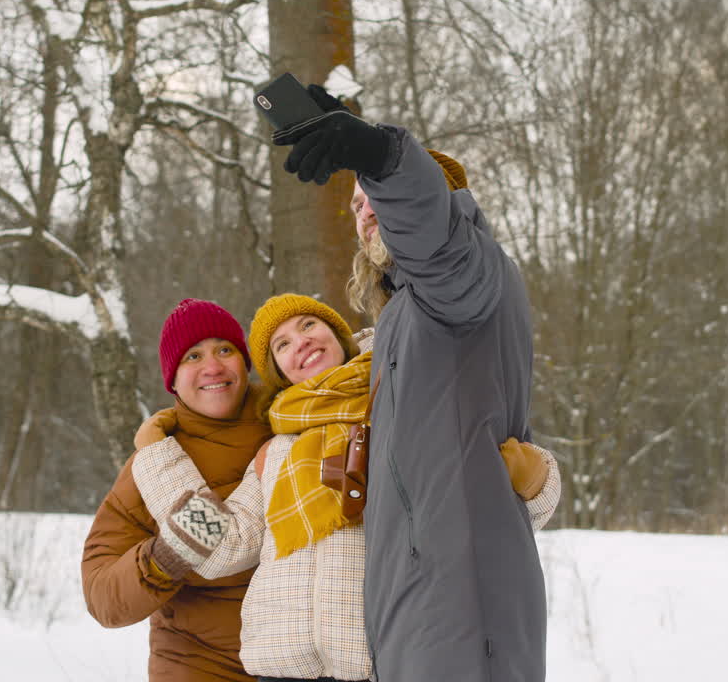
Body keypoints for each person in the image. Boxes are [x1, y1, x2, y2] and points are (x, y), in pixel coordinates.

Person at [127, 293, 560, 682]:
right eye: (281, 344)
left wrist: (534, 479)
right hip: (279, 669)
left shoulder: (399, 412)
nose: (300, 342)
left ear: (338, 335)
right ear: (279, 371)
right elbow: (223, 548)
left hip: (377, 663)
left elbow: (480, 520)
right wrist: (157, 459)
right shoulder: (276, 450)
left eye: (308, 325)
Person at [273, 86, 551, 682]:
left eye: (375, 197)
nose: (363, 210)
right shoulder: (405, 316)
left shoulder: (462, 277)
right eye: (354, 206)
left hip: (462, 609)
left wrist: (380, 154)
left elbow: (435, 236)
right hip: (416, 611)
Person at [81, 298, 270, 682]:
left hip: (304, 659)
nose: (213, 367)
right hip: (198, 664)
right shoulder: (152, 462)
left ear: (244, 360)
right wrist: (161, 561)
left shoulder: (290, 420)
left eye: (224, 349)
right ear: (172, 378)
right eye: (193, 356)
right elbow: (101, 596)